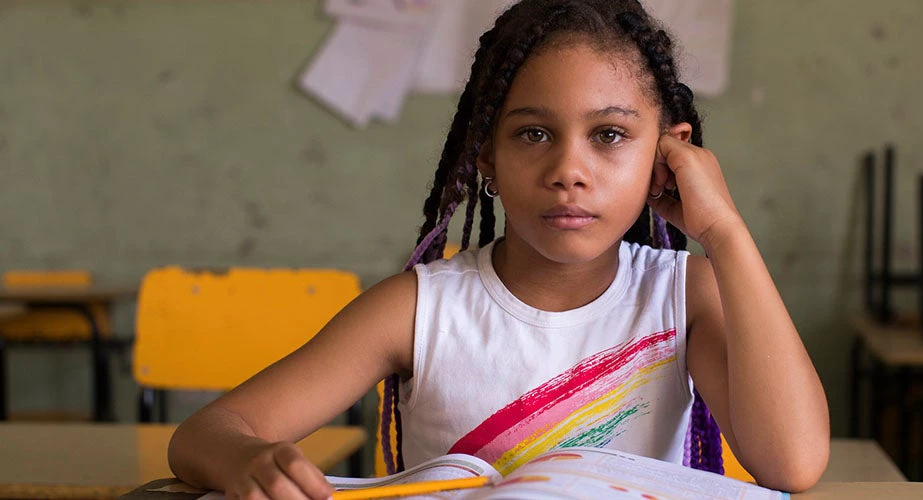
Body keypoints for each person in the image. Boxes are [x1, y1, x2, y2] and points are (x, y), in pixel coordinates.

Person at [167, 1, 830, 498]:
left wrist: (727, 234)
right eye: (535, 134)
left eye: (609, 135)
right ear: (486, 158)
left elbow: (792, 463)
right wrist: (247, 462)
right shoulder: (419, 308)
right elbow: (207, 432)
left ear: (669, 155)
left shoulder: (684, 295)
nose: (570, 169)